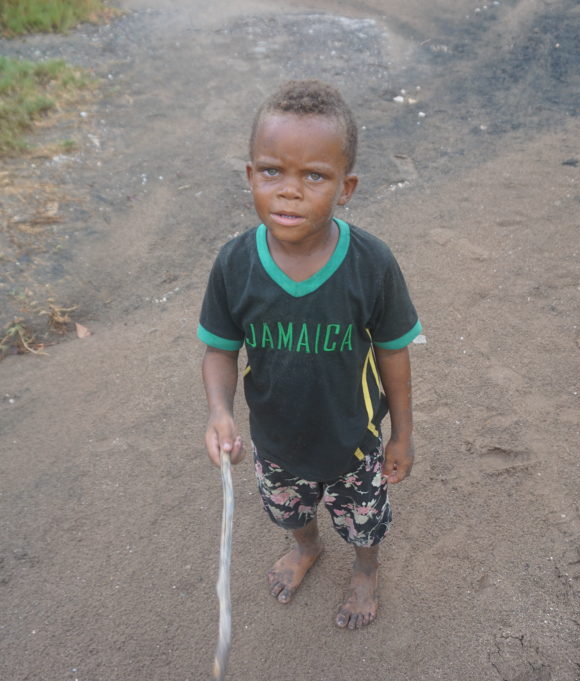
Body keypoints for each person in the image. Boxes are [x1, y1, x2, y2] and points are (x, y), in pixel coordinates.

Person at [198, 80, 421, 630]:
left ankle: (365, 569)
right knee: (288, 511)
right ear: (251, 176)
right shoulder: (234, 264)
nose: (289, 191)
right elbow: (220, 352)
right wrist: (220, 412)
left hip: (354, 442)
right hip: (277, 441)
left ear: (345, 187)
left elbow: (394, 354)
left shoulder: (370, 263)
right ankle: (307, 548)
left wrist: (402, 435)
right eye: (273, 171)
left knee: (364, 523)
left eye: (314, 176)